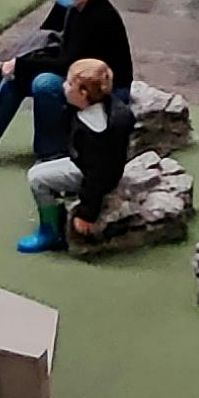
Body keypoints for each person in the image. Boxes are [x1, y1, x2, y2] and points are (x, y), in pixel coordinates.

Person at [0, 0, 129, 167]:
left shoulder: (99, 18)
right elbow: (47, 35)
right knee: (17, 79)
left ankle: (51, 152)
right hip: (75, 72)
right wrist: (21, 64)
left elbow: (67, 62)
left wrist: (21, 64)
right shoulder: (73, 7)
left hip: (100, 85)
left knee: (45, 85)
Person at [20, 54, 135, 253]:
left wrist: (87, 212)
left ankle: (50, 232)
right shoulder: (108, 108)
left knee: (36, 177)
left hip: (93, 174)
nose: (64, 86)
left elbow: (97, 175)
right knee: (48, 165)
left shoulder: (92, 133)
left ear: (82, 93)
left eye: (69, 83)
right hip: (92, 164)